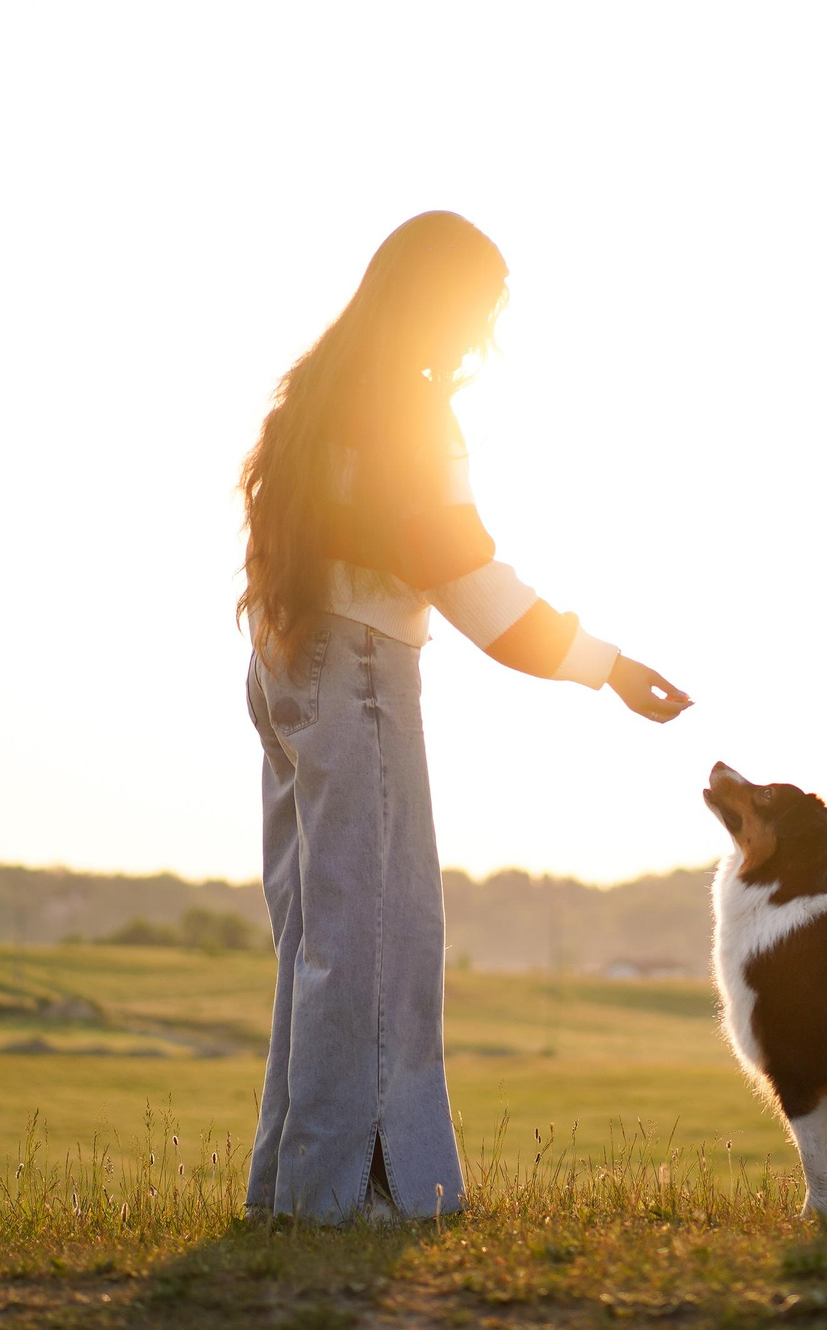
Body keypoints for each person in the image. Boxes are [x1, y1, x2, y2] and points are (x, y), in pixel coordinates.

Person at [235, 211, 691, 1223]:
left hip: (285, 663)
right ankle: (363, 1203)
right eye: (478, 309)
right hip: (356, 670)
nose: (481, 333)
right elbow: (467, 579)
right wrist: (603, 665)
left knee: (319, 936)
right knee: (385, 936)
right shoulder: (407, 412)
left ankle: (295, 1193)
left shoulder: (314, 399)